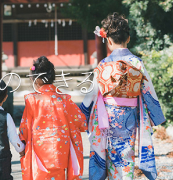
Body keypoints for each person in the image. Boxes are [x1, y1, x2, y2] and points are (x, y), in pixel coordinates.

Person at [80, 12, 166, 180]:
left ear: (109, 41)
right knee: (126, 155)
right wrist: (156, 116)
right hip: (130, 116)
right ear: (128, 38)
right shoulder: (137, 63)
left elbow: (91, 94)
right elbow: (148, 90)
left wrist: (81, 115)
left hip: (107, 116)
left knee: (109, 153)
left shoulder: (103, 64)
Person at [19, 56, 87, 180]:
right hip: (60, 148)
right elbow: (81, 122)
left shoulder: (32, 99)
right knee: (58, 175)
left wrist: (21, 143)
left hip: (39, 150)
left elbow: (25, 127)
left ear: (36, 80)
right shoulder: (65, 99)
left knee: (40, 176)